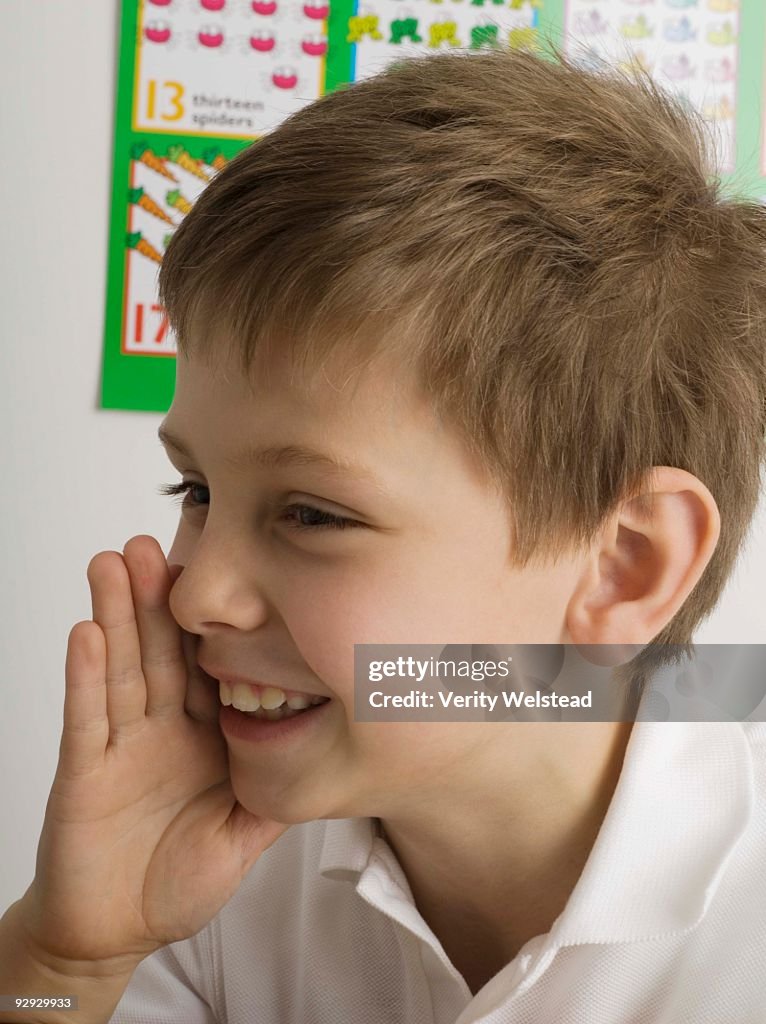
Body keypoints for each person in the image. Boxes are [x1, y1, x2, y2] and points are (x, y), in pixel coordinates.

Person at [2, 40, 765, 1024]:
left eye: (313, 513)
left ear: (623, 568)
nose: (197, 593)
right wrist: (65, 961)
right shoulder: (198, 867)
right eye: (193, 487)